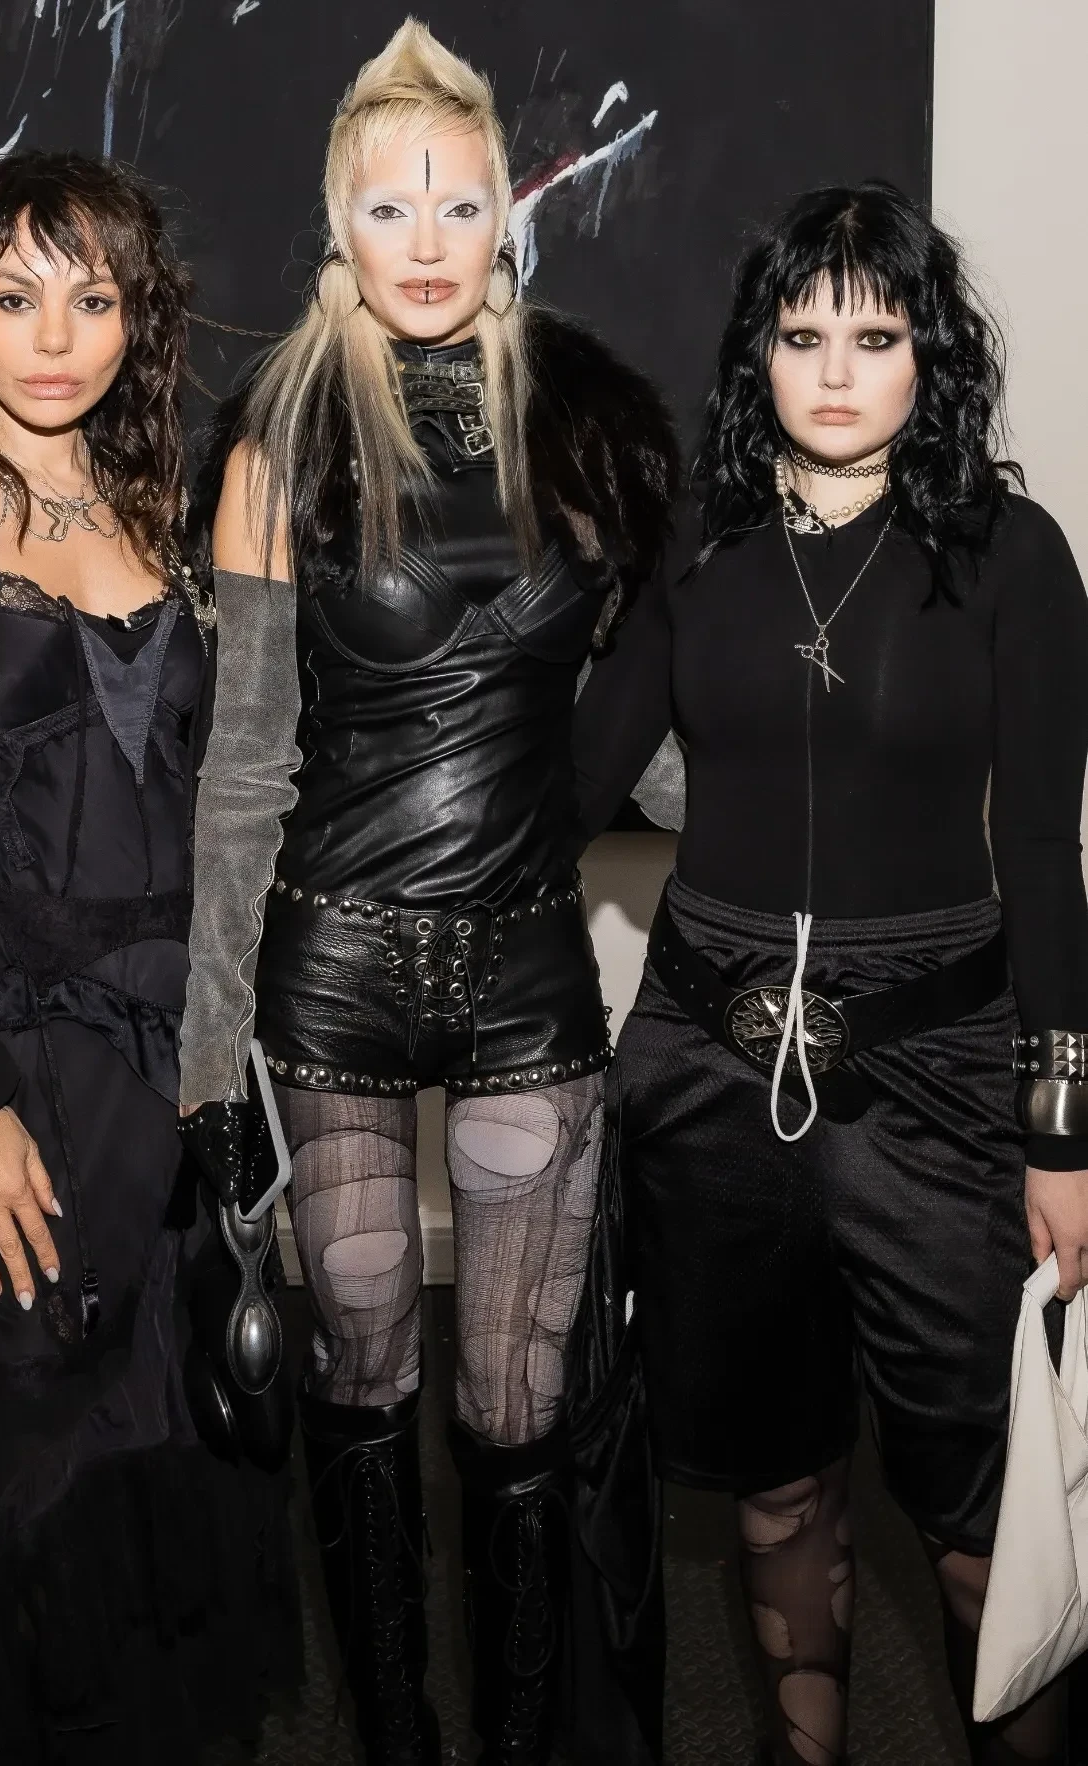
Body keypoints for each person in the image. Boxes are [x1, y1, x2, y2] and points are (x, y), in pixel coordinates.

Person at [177, 19, 677, 1766]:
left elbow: (639, 711)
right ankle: (397, 1737)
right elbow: (245, 763)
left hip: (530, 970)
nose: (425, 239)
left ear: (503, 216)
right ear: (341, 224)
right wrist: (205, 1057)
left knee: (519, 1395)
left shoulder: (586, 428)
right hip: (334, 978)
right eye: (387, 207)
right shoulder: (278, 436)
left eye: (458, 203)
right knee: (361, 1372)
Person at [572, 180, 1088, 1766]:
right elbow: (572, 787)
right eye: (802, 336)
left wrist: (1061, 1131)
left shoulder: (1010, 555)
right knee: (777, 1476)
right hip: (708, 1073)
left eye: (875, 336)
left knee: (978, 1498)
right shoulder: (693, 546)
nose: (838, 371)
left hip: (941, 1079)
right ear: (758, 355)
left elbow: (1042, 858)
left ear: (929, 353)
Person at [0, 150, 299, 1764]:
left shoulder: (173, 513)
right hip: (11, 1072)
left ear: (137, 317)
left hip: (180, 1075)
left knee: (178, 1440)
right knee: (33, 1450)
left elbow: (233, 803)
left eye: (92, 298)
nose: (53, 336)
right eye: (15, 297)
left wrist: (227, 1062)